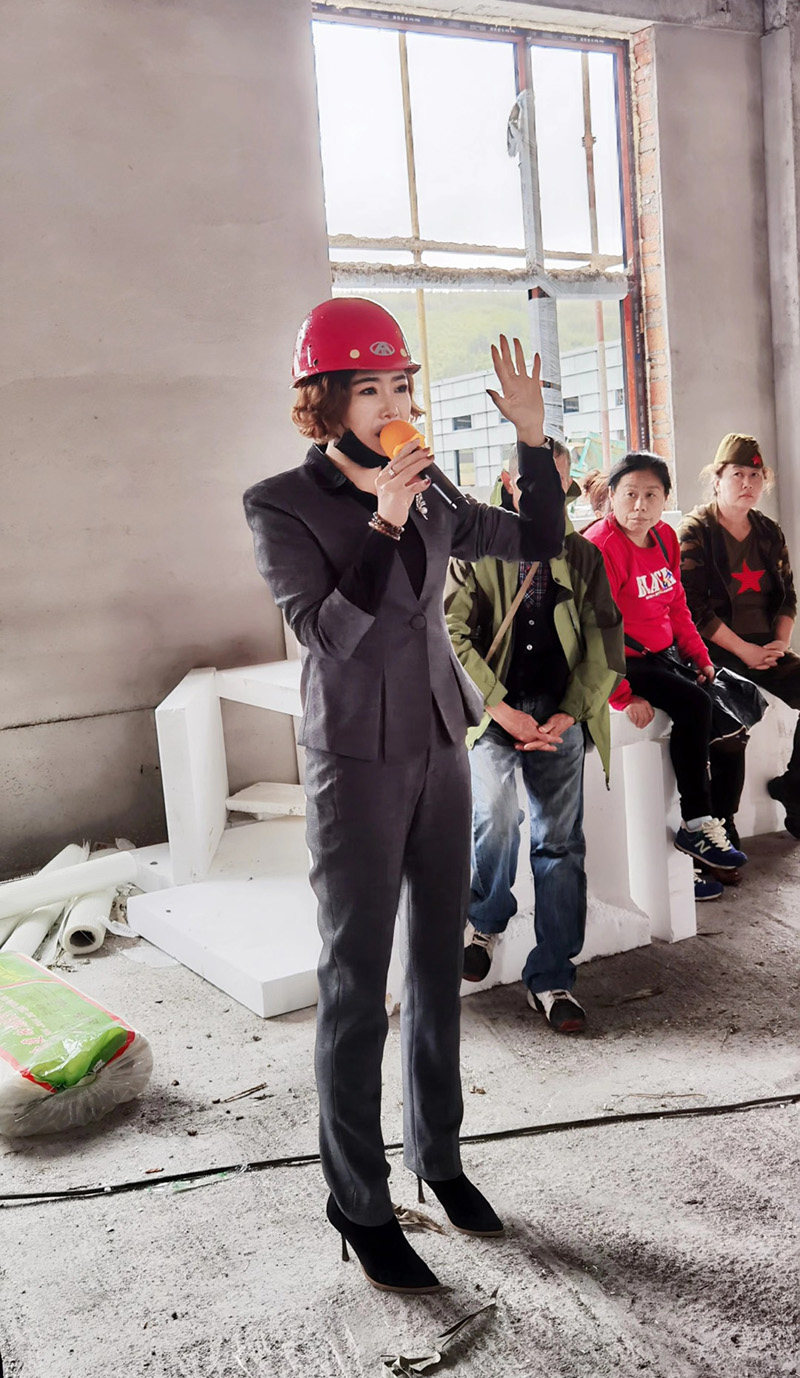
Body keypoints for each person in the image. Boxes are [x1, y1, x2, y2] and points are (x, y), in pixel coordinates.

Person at [243, 297, 565, 1294]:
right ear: (323, 401)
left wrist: (531, 439)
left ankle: (438, 1155)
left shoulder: (430, 486)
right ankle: (357, 1198)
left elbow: (538, 538)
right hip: (355, 760)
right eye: (369, 389)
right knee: (356, 982)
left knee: (435, 966)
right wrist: (380, 516)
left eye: (400, 386)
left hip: (438, 740)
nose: (392, 406)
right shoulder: (281, 503)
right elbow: (328, 634)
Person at [444, 443, 624, 1034]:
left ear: (567, 487)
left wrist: (569, 714)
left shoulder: (583, 555)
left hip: (559, 711)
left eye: (556, 481)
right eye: (531, 480)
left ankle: (552, 977)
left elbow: (605, 640)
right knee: (495, 813)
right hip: (491, 711)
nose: (544, 492)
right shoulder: (475, 545)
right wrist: (501, 710)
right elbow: (450, 633)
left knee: (560, 843)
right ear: (508, 480)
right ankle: (486, 919)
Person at [583, 452, 748, 898]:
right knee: (694, 704)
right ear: (612, 496)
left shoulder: (664, 538)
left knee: (727, 719)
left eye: (651, 495)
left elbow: (675, 604)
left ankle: (708, 843)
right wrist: (621, 695)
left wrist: (699, 655)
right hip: (622, 661)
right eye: (630, 494)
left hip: (664, 655)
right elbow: (593, 630)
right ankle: (697, 825)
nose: (639, 505)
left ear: (665, 499)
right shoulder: (602, 546)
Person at [680, 433, 800, 838]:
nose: (747, 483)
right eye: (737, 474)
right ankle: (723, 823)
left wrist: (779, 643)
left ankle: (795, 789)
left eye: (755, 475)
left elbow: (787, 597)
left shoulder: (768, 532)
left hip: (765, 646)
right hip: (716, 651)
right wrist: (745, 651)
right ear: (717, 479)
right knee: (730, 722)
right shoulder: (696, 531)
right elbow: (692, 608)